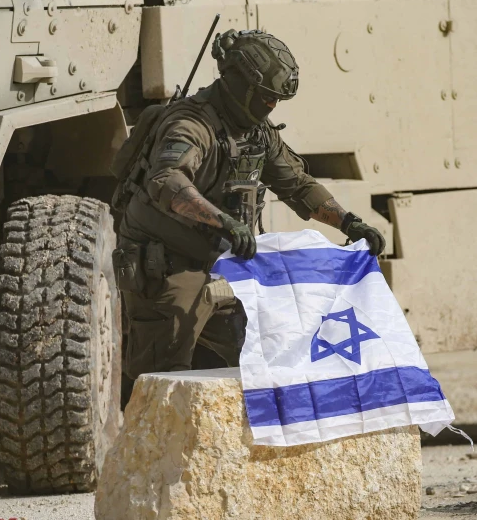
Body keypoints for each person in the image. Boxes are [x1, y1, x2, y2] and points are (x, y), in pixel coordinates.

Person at [115, 29, 385, 403]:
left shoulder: (257, 132)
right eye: (266, 97)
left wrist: (349, 223)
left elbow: (297, 185)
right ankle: (144, 458)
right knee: (163, 383)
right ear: (237, 84)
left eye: (277, 99)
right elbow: (167, 181)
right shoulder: (190, 126)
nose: (272, 106)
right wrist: (222, 222)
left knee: (261, 359)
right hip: (168, 264)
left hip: (229, 265)